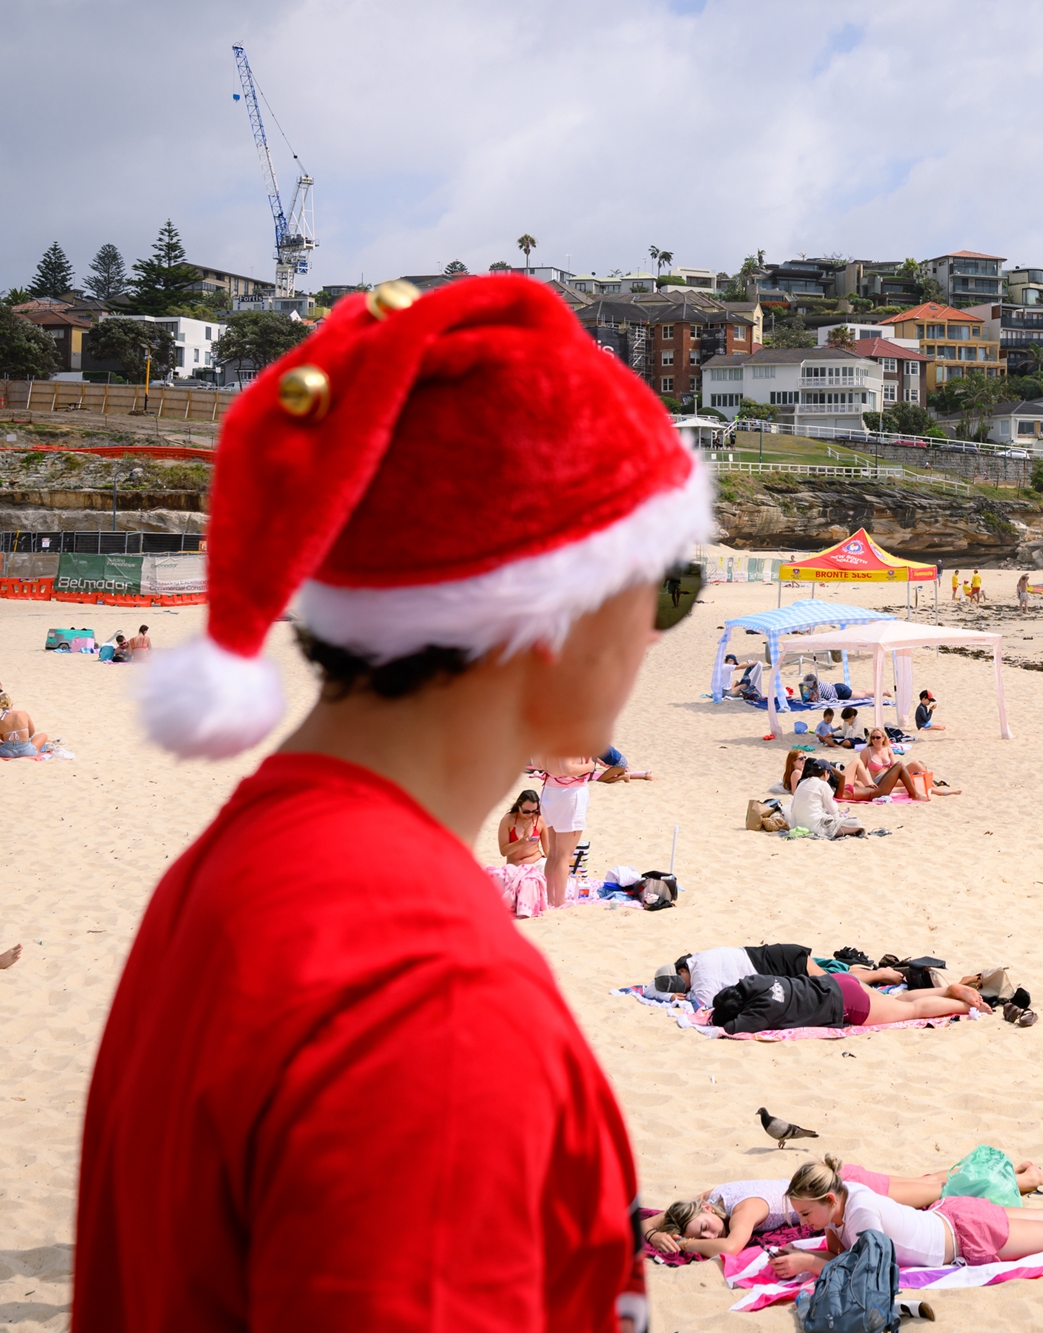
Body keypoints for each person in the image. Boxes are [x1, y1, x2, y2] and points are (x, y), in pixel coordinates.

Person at [77, 275, 709, 1329]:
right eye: (671, 583)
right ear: (559, 605)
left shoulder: (237, 865)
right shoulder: (432, 1002)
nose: (656, 632)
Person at [769, 1156, 1043, 1278]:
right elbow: (840, 1254)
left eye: (806, 1212)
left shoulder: (860, 1212)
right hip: (954, 1218)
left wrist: (809, 1262)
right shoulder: (843, 1203)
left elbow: (867, 1266)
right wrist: (809, 1253)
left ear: (829, 1198)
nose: (804, 1223)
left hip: (967, 1235)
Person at [646, 1154, 1043, 1258]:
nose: (710, 1233)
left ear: (706, 1213)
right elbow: (657, 1217)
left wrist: (686, 1245)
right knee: (931, 1183)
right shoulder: (712, 1196)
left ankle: (1028, 1178)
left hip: (852, 1190)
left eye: (704, 1229)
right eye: (701, 1234)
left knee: (941, 1190)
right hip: (842, 1183)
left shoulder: (744, 1210)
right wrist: (654, 1232)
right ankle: (1016, 1169)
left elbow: (731, 1246)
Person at [708, 972, 990, 1036]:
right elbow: (739, 986)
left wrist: (718, 1018)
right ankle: (947, 990)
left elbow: (732, 1027)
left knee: (911, 1011)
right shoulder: (755, 983)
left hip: (844, 1003)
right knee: (895, 1002)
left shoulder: (760, 1012)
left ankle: (966, 1006)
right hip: (838, 982)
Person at [665, 942, 905, 1010]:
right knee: (831, 977)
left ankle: (881, 974)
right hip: (778, 956)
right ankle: (876, 974)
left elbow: (705, 1003)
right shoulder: (699, 958)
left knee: (833, 985)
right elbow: (650, 988)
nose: (684, 989)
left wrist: (676, 998)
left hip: (778, 965)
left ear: (683, 970)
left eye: (681, 982)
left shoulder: (699, 975)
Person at [538, 756, 599, 907]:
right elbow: (568, 769)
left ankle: (551, 898)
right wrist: (591, 766)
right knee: (564, 855)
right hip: (568, 794)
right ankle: (559, 901)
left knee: (554, 853)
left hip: (550, 792)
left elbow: (537, 763)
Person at [489, 789, 548, 919]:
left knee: (544, 868)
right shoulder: (508, 820)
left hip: (536, 862)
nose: (530, 814)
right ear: (519, 805)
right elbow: (504, 851)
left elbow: (548, 851)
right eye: (526, 811)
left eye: (534, 811)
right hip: (515, 866)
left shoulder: (539, 820)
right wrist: (520, 843)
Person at [850, 728, 954, 801]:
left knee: (916, 764)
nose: (875, 740)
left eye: (877, 737)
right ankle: (936, 790)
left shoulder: (887, 749)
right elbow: (861, 771)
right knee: (914, 780)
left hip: (892, 775)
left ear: (883, 738)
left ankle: (934, 787)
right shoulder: (867, 751)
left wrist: (901, 773)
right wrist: (862, 785)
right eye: (873, 738)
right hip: (881, 781)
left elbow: (895, 765)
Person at [786, 758, 863, 838]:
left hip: (797, 825)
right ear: (826, 773)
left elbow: (793, 807)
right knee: (857, 823)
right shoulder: (823, 784)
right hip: (815, 827)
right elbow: (833, 810)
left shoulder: (802, 783)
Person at [0, 692, 51, 757]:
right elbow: (31, 733)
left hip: (7, 753)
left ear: (0, 706)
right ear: (12, 703)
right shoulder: (23, 714)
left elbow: (3, 740)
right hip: (26, 751)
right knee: (43, 735)